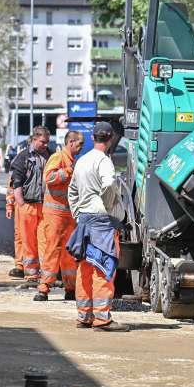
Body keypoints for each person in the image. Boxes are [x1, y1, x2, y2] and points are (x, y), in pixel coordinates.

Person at [66, 122, 129, 331]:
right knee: (103, 268)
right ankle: (102, 319)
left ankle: (85, 316)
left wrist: (77, 212)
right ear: (110, 140)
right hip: (101, 221)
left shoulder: (82, 160)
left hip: (84, 220)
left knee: (85, 268)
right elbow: (110, 184)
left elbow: (72, 190)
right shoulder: (104, 161)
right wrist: (110, 206)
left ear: (93, 138)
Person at [33, 130, 84, 302]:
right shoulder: (58, 158)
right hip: (55, 213)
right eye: (79, 144)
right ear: (70, 142)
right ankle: (44, 288)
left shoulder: (73, 161)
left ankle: (71, 287)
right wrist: (68, 171)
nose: (81, 148)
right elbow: (49, 177)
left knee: (69, 252)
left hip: (68, 214)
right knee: (52, 249)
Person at [10, 126, 51, 282]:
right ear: (34, 139)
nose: (46, 145)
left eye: (47, 142)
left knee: (44, 240)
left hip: (44, 205)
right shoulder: (23, 157)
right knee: (28, 240)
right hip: (27, 204)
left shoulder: (50, 156)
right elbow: (16, 181)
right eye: (43, 142)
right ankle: (31, 273)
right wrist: (20, 203)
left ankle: (44, 272)